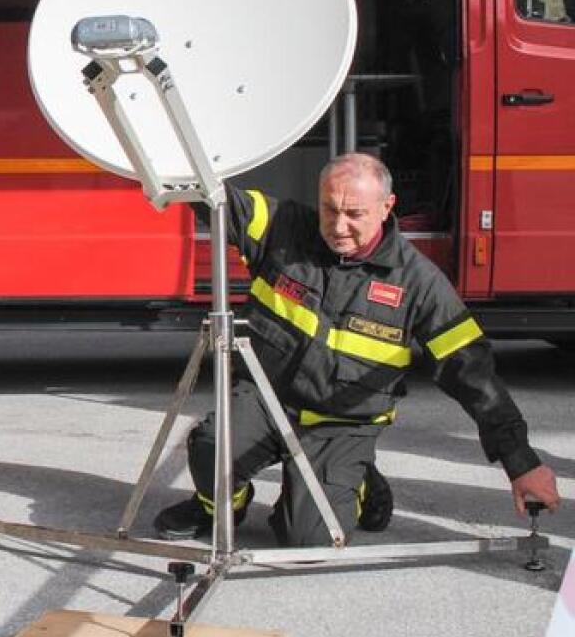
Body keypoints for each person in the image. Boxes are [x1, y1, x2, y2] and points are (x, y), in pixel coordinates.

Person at [154, 153, 560, 546]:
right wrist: (163, 152)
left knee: (307, 540)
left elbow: (473, 374)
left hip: (341, 424)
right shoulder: (284, 227)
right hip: (267, 402)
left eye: (355, 214)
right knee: (210, 444)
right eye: (330, 210)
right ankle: (220, 508)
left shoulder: (419, 284)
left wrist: (520, 462)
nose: (339, 226)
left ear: (387, 207)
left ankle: (359, 479)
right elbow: (217, 198)